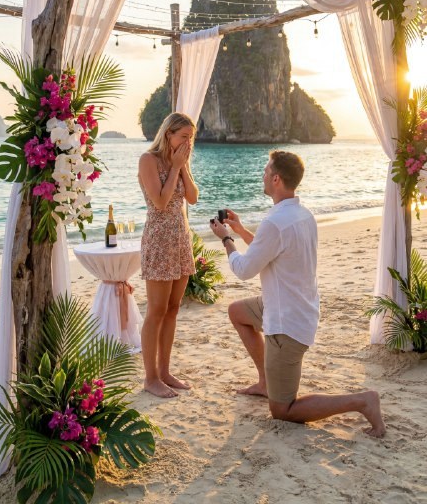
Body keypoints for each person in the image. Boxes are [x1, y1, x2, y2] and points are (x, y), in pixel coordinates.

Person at [209, 150, 386, 437]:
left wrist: (226, 239)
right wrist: (240, 229)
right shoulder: (302, 215)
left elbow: (243, 269)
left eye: (266, 171)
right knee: (237, 312)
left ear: (276, 179)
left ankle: (362, 401)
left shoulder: (275, 223)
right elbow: (269, 251)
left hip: (286, 324)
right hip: (291, 306)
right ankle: (266, 381)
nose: (263, 175)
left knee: (283, 410)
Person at [138, 112, 199, 398]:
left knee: (173, 308)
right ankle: (150, 378)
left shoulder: (180, 161)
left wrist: (182, 167)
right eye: (184, 136)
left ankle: (165, 371)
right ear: (168, 135)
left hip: (180, 240)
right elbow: (160, 202)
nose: (188, 142)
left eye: (191, 137)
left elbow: (193, 197)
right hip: (160, 240)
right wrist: (174, 167)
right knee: (156, 310)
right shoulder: (148, 160)